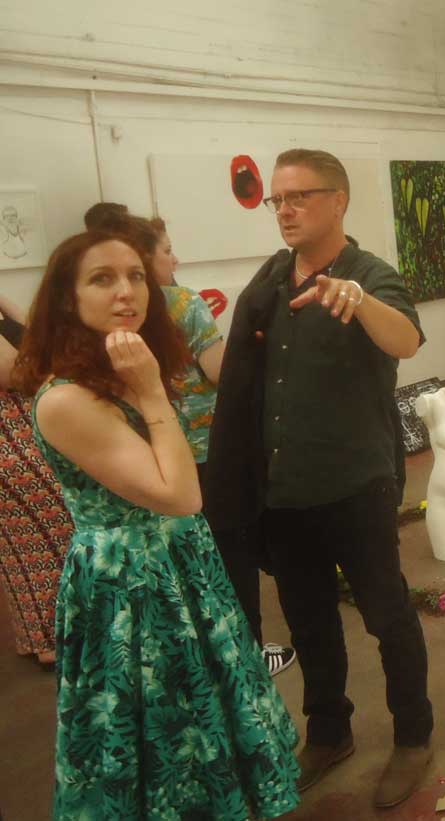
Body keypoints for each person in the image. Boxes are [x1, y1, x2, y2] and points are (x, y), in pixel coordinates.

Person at [13, 231, 300, 819]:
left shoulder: (119, 369)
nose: (126, 291)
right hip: (131, 587)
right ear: (67, 298)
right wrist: (150, 392)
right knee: (159, 727)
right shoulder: (65, 399)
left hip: (179, 565)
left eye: (136, 276)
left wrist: (145, 385)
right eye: (102, 279)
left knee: (208, 705)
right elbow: (180, 495)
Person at [205, 148, 432, 808]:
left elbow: (406, 340)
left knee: (387, 616)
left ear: (339, 200)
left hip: (356, 486)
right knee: (308, 623)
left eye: (300, 196)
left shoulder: (370, 275)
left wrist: (358, 302)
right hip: (284, 493)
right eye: (277, 200)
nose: (286, 210)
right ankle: (329, 731)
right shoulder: (270, 283)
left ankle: (413, 735)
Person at [84, 204, 296, 676]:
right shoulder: (181, 304)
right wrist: (255, 350)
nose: (174, 260)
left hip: (149, 458)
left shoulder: (98, 322)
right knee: (231, 556)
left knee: (179, 563)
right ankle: (247, 656)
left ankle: (199, 659)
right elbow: (220, 372)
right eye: (167, 251)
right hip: (206, 452)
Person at [0, 294, 72, 668]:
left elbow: (32, 337)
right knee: (48, 538)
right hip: (12, 444)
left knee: (24, 546)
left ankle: (40, 637)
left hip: (18, 437)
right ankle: (52, 639)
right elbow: (15, 373)